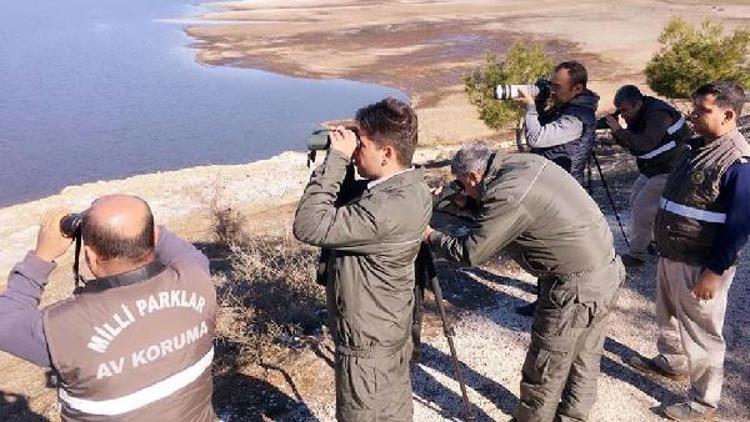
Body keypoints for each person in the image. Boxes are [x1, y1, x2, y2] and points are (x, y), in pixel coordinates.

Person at [425, 143, 625, 422]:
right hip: (604, 270)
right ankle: (573, 416)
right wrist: (466, 201)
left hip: (574, 287)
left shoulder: (508, 195)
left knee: (546, 364)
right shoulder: (523, 163)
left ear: (473, 176)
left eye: (462, 184)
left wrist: (430, 236)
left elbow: (471, 252)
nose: (462, 190)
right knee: (584, 357)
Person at [0, 195, 217, 421]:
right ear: (152, 237)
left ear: (91, 257)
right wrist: (128, 220)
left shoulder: (63, 328)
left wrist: (41, 256)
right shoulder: (196, 278)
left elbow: (5, 317)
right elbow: (179, 249)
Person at [293, 97, 431, 421]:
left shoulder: (384, 209)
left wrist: (337, 158)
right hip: (389, 328)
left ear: (387, 153)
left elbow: (308, 224)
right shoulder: (411, 187)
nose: (356, 150)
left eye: (363, 144)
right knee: (393, 410)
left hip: (366, 347)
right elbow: (357, 197)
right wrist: (344, 155)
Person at [629, 81, 750, 421]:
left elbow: (739, 225)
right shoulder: (695, 146)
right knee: (666, 315)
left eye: (702, 111)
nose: (692, 116)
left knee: (702, 333)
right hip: (671, 253)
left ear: (728, 114)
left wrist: (714, 271)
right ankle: (671, 361)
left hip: (699, 263)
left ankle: (702, 403)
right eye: (693, 108)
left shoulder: (738, 161)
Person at [605, 85, 692, 267]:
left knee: (642, 207)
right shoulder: (639, 114)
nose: (623, 115)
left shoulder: (658, 114)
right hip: (653, 168)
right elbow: (633, 144)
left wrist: (619, 130)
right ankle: (653, 241)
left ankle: (637, 255)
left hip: (671, 168)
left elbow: (644, 144)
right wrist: (617, 131)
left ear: (638, 104)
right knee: (635, 197)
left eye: (625, 111)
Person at [517, 60, 600, 185]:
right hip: (553, 181)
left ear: (577, 88)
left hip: (563, 188)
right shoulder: (567, 105)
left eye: (557, 87)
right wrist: (540, 103)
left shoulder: (576, 119)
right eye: (551, 85)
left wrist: (530, 107)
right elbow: (543, 126)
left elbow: (536, 139)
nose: (552, 91)